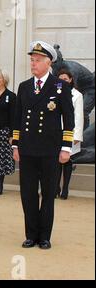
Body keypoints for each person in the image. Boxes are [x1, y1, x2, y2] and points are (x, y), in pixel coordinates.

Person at [13, 41, 75, 250]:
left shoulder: (60, 87)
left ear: (48, 62)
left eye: (38, 60)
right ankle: (31, 234)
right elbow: (18, 118)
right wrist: (15, 145)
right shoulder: (24, 86)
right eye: (32, 60)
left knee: (48, 194)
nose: (33, 63)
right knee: (28, 193)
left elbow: (69, 119)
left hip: (50, 150)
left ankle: (45, 236)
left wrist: (66, 148)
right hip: (28, 149)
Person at [56, 69, 84, 200]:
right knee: (55, 161)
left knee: (67, 161)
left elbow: (78, 116)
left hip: (69, 132)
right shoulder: (54, 92)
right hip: (55, 131)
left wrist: (77, 136)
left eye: (65, 79)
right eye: (60, 79)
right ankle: (55, 187)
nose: (63, 81)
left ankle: (65, 188)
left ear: (71, 79)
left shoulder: (77, 95)